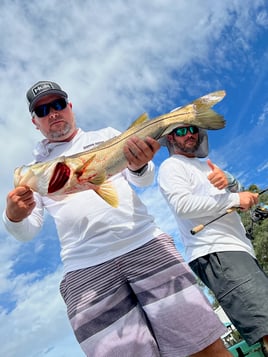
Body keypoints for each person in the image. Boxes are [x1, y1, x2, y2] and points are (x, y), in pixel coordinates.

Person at [3, 81, 232, 357]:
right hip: (85, 268)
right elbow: (28, 231)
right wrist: (13, 217)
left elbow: (144, 179)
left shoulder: (107, 135)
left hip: (146, 244)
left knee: (204, 346)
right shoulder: (38, 171)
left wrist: (139, 165)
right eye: (42, 110)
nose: (53, 113)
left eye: (58, 104)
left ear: (70, 107)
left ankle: (189, 112)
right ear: (35, 122)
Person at [158, 122, 268, 352]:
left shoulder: (207, 167)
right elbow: (183, 205)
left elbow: (240, 197)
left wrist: (231, 185)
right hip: (216, 251)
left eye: (192, 129)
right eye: (180, 131)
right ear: (170, 139)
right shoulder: (171, 166)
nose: (188, 134)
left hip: (239, 250)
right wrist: (235, 200)